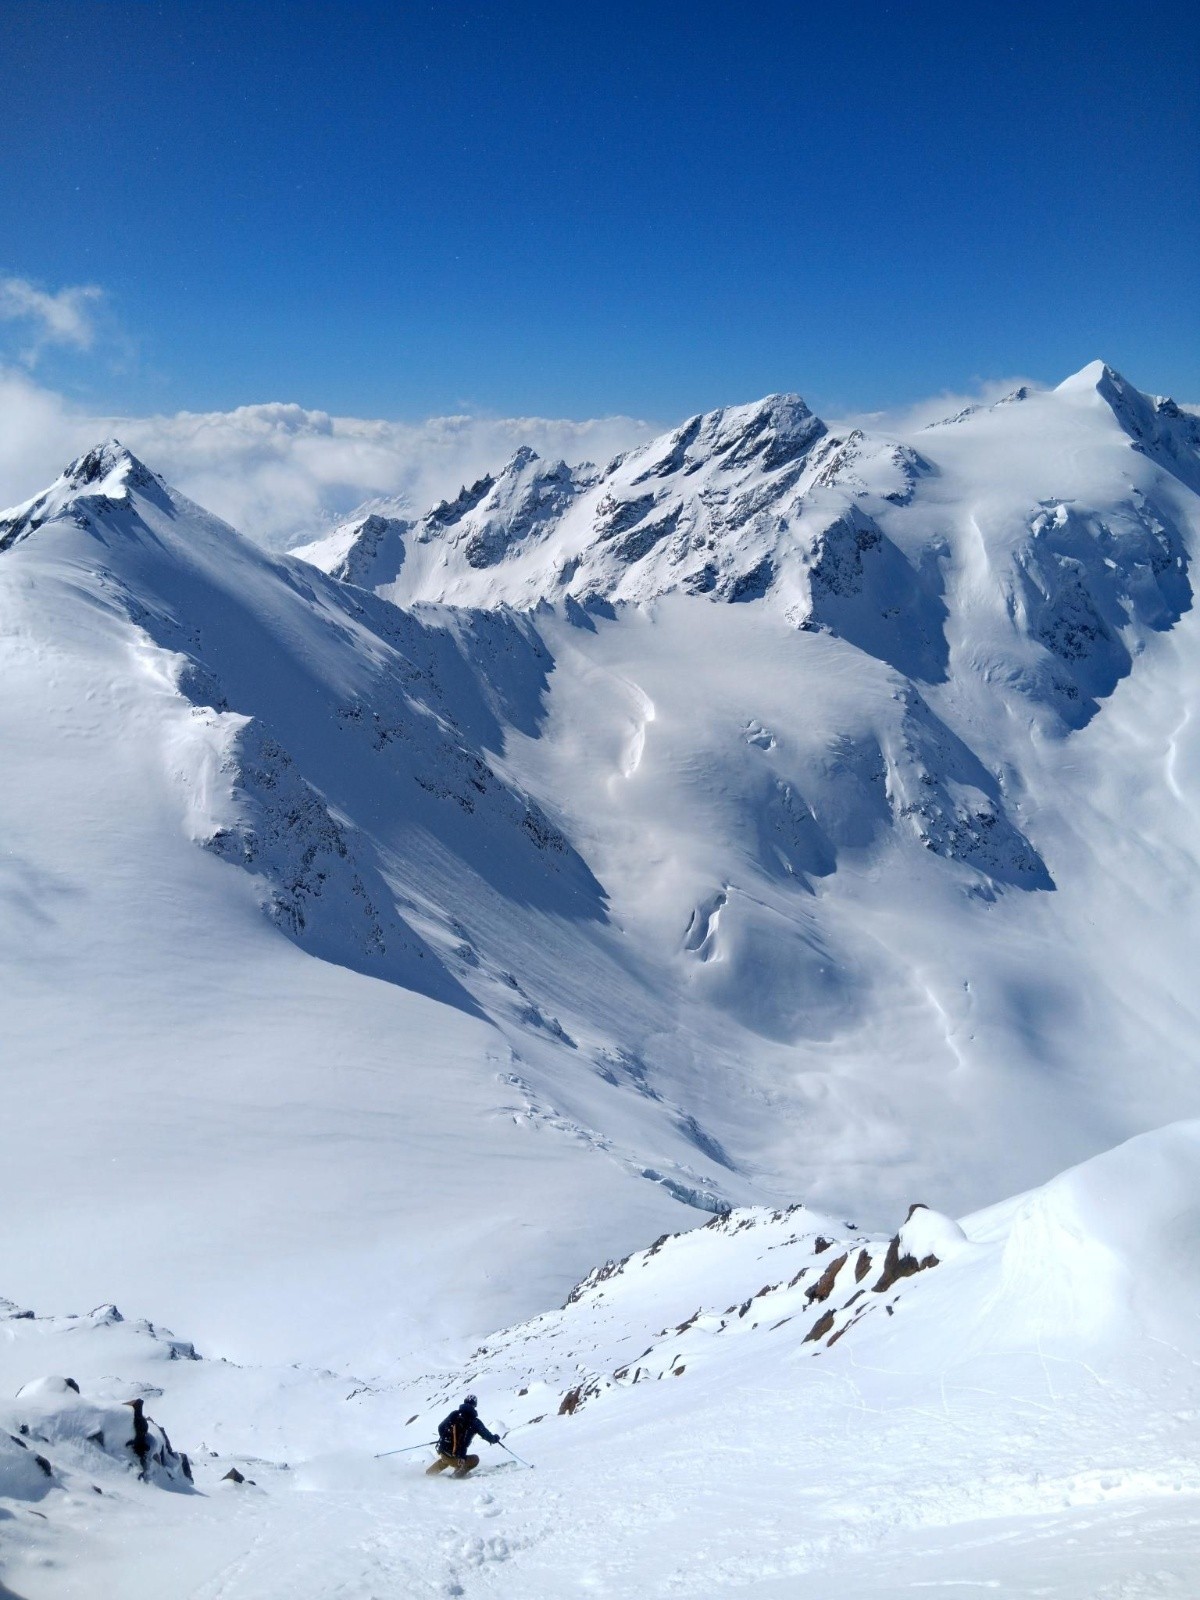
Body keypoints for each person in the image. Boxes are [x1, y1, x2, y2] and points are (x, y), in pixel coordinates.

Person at [425, 1394, 501, 1478]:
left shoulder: (454, 1414)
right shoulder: (475, 1421)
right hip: (455, 1457)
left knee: (445, 1460)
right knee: (475, 1459)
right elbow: (488, 1436)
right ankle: (456, 1476)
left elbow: (440, 1427)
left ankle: (428, 1474)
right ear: (475, 1405)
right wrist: (495, 1438)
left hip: (443, 1451)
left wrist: (446, 1438)